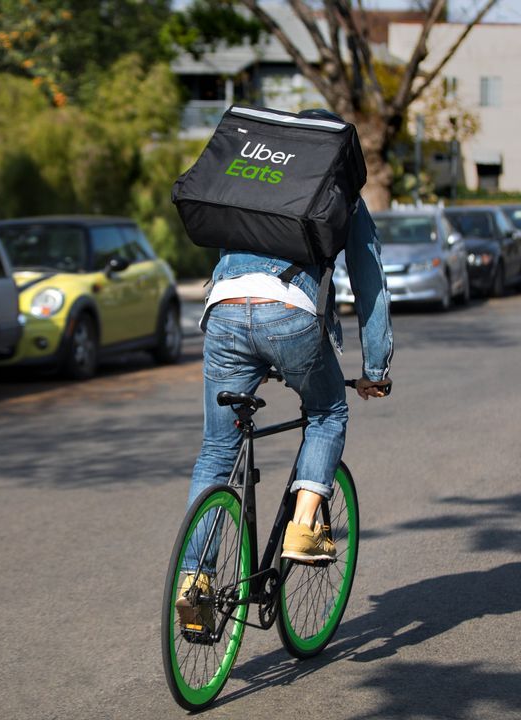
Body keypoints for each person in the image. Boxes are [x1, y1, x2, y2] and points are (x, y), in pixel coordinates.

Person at [177, 108, 393, 628]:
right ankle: (304, 526)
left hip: (224, 312)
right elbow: (370, 282)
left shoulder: (258, 181)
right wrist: (376, 366)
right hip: (290, 317)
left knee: (216, 450)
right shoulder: (343, 195)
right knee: (327, 412)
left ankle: (196, 585)